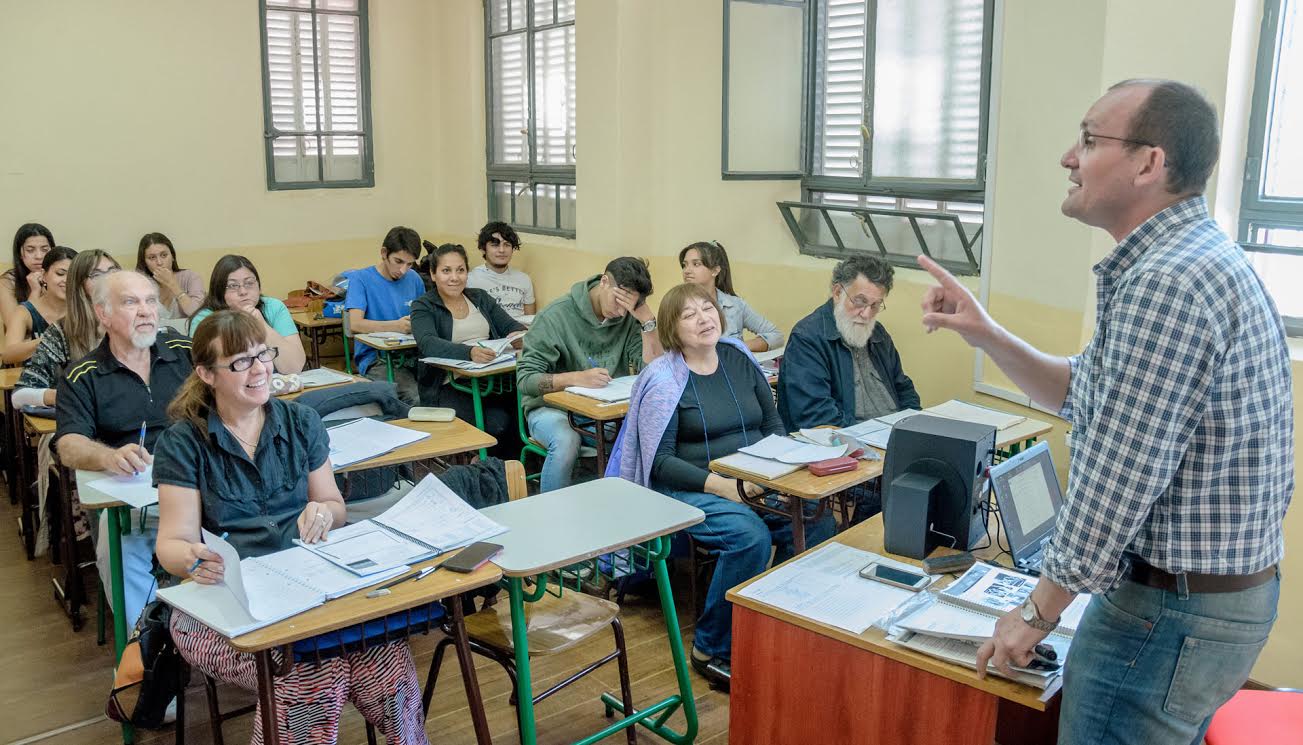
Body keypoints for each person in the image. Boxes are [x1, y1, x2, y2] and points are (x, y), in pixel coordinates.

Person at [920, 80, 1292, 745]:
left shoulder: (1166, 281)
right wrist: (982, 332)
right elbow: (1080, 392)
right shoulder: (1184, 260)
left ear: (1149, 163)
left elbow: (1117, 478)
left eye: (1089, 139)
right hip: (1206, 602)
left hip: (1167, 611)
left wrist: (1035, 612)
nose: (1068, 156)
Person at [153, 310, 429, 745]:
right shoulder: (183, 442)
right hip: (217, 602)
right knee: (309, 667)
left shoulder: (301, 423)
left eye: (263, 354)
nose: (260, 369)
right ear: (206, 373)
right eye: (240, 362)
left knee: (385, 652)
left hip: (304, 585)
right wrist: (191, 557)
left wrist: (324, 513)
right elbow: (171, 543)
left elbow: (333, 504)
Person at [607, 283, 833, 690]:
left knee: (817, 524)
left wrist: (773, 472)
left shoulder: (738, 356)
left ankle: (765, 619)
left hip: (754, 478)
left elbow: (772, 424)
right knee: (749, 536)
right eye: (689, 314)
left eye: (707, 308)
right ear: (673, 329)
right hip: (687, 487)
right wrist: (722, 486)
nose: (703, 318)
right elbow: (659, 463)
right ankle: (711, 646)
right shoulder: (663, 378)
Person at [54, 270, 194, 628]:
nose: (146, 311)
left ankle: (214, 637)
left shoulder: (185, 353)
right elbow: (69, 444)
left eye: (150, 301)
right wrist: (108, 456)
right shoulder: (81, 375)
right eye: (131, 302)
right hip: (134, 498)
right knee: (119, 551)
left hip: (197, 487)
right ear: (103, 314)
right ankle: (148, 646)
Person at [516, 257, 663, 492]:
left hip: (603, 411)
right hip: (552, 410)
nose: (621, 311)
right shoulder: (555, 316)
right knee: (566, 441)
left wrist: (647, 322)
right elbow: (526, 380)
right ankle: (551, 517)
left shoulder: (628, 317)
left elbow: (654, 370)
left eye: (629, 306)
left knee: (651, 435)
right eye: (618, 300)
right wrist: (574, 378)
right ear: (604, 282)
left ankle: (626, 513)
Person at [777, 255, 920, 431]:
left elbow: (904, 389)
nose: (866, 314)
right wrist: (867, 437)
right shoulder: (807, 338)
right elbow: (816, 415)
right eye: (860, 302)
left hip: (892, 435)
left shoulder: (878, 333)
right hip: (846, 442)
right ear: (838, 293)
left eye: (875, 305)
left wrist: (913, 427)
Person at [411, 243, 525, 454]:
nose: (454, 277)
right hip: (448, 385)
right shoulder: (423, 305)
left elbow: (512, 326)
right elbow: (427, 342)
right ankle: (489, 469)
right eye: (446, 271)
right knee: (497, 423)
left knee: (526, 411)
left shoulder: (480, 297)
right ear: (433, 275)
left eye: (460, 270)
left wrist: (518, 337)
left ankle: (513, 471)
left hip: (492, 379)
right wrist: (468, 352)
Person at [345, 226, 426, 404]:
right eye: (398, 261)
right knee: (414, 395)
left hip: (412, 355)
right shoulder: (360, 279)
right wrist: (396, 325)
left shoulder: (414, 279)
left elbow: (424, 317)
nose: (403, 270)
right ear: (384, 253)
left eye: (410, 264)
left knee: (445, 388)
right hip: (376, 359)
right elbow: (355, 324)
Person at [190, 254, 306, 374]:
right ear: (219, 291)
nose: (243, 292)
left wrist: (262, 325)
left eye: (249, 283)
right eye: (232, 286)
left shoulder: (273, 307)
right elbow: (213, 372)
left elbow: (294, 368)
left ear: (259, 286)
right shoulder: (205, 319)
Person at [679, 241, 783, 352]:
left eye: (696, 264)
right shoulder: (676, 305)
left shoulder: (735, 305)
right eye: (685, 265)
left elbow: (776, 336)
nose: (687, 271)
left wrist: (738, 346)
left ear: (715, 270)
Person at [1, 246, 76, 365]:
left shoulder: (84, 308)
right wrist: (51, 339)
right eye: (60, 273)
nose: (67, 280)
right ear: (44, 275)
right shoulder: (25, 311)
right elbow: (8, 355)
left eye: (73, 275)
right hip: (35, 379)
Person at [466, 221, 536, 320]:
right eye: (495, 245)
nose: (502, 250)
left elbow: (530, 319)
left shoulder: (524, 279)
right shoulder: (470, 280)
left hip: (519, 332)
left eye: (507, 245)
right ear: (483, 249)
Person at [136, 232, 204, 322]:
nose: (159, 262)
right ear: (145, 262)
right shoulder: (139, 284)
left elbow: (197, 314)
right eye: (152, 257)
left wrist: (173, 285)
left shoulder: (191, 277)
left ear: (172, 256)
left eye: (164, 255)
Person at [2, 222, 55, 325]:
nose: (39, 256)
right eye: (30, 250)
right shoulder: (8, 281)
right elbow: (15, 327)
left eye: (45, 250)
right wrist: (35, 291)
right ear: (20, 254)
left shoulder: (60, 277)